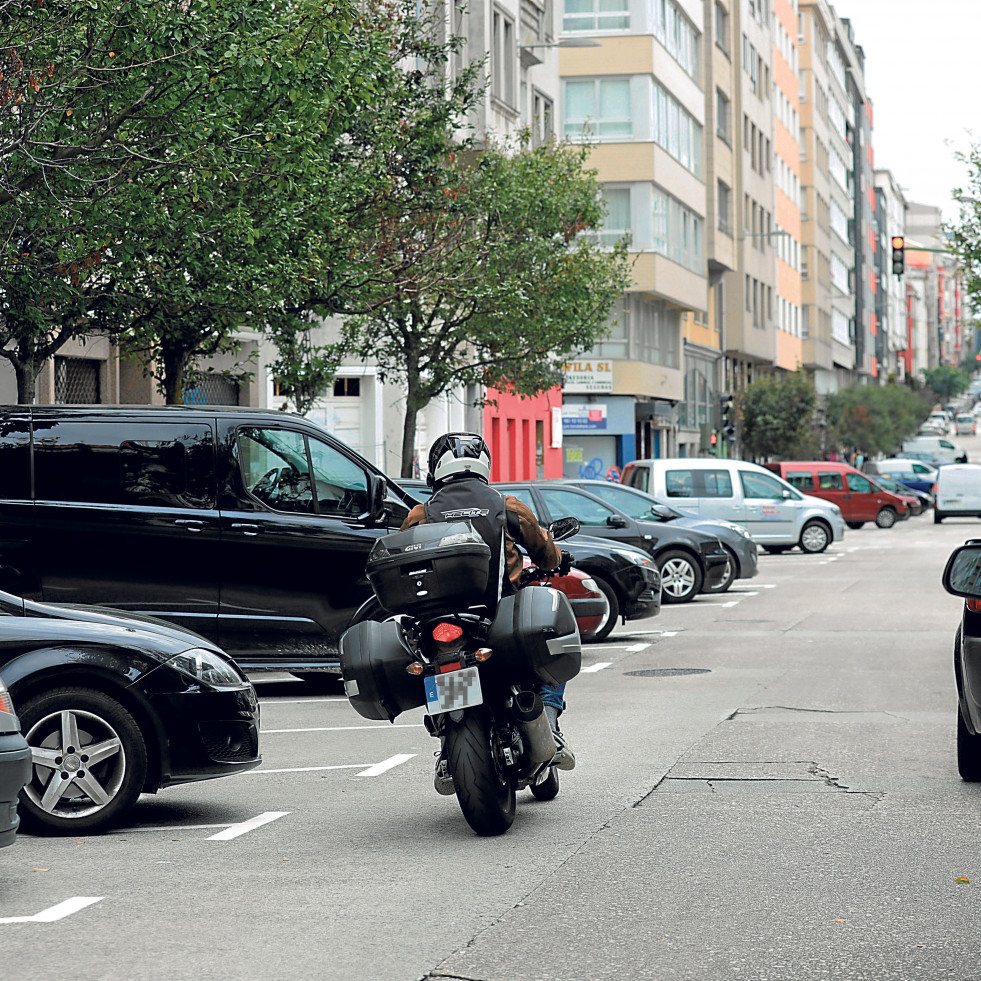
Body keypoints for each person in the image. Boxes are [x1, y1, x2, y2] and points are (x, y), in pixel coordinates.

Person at [400, 432, 576, 793]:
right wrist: (554, 561)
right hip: (496, 615)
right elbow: (544, 551)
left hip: (441, 622)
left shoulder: (422, 513)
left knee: (435, 667)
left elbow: (401, 558)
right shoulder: (507, 507)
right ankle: (551, 731)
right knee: (543, 655)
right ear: (484, 466)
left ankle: (446, 747)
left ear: (436, 469)